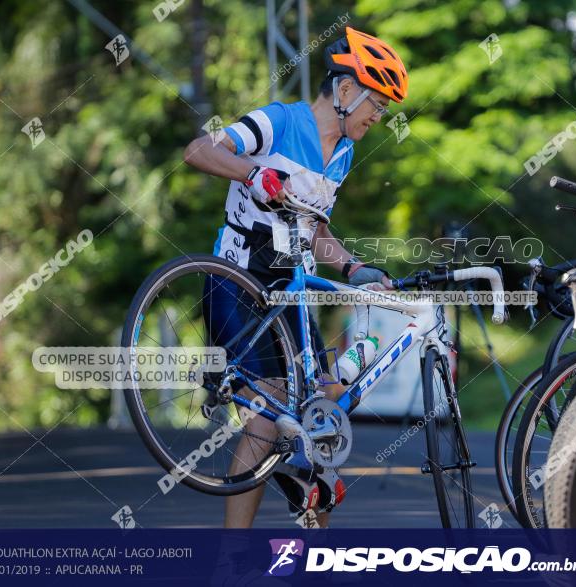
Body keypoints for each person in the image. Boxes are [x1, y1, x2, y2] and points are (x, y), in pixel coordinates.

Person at [182, 27, 408, 528]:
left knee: (323, 420)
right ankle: (230, 563)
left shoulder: (344, 153)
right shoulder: (279, 121)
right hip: (239, 278)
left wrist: (352, 266)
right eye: (378, 103)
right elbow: (198, 150)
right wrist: (250, 173)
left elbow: (317, 229)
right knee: (267, 414)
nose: (381, 117)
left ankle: (312, 553)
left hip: (291, 292)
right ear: (346, 91)